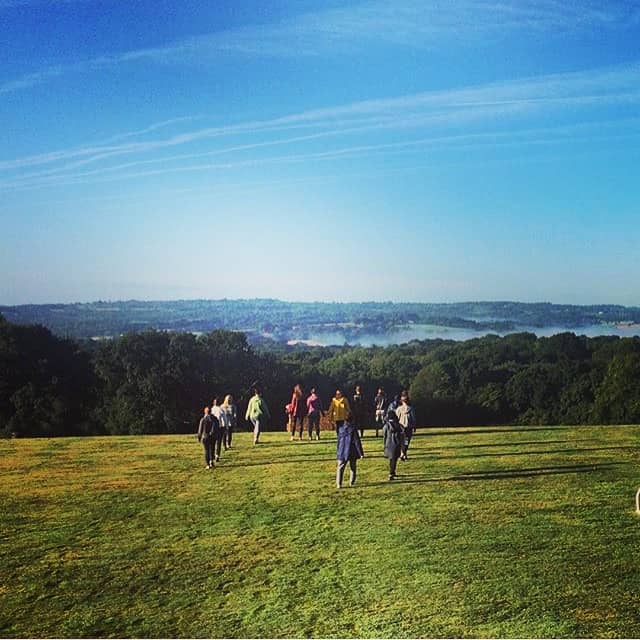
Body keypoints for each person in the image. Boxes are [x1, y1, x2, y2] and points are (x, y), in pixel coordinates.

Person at [335, 417, 364, 488]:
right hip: (351, 451)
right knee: (353, 467)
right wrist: (361, 453)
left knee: (340, 467)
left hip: (342, 450)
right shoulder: (353, 429)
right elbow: (357, 441)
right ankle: (351, 482)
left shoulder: (341, 429)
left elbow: (339, 441)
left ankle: (339, 483)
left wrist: (338, 451)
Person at [383, 407, 403, 480]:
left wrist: (384, 445)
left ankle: (391, 472)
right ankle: (392, 472)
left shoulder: (386, 426)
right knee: (394, 460)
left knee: (391, 460)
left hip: (389, 444)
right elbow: (401, 436)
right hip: (396, 444)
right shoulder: (398, 425)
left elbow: (384, 436)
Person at [396, 391, 416, 461]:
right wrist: (414, 426)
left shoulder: (399, 409)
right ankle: (404, 453)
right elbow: (413, 419)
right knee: (406, 442)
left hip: (401, 428)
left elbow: (396, 418)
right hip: (408, 428)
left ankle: (403, 453)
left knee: (401, 441)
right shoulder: (411, 409)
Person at [210, 397, 225, 462]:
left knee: (212, 442)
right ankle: (217, 455)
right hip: (219, 427)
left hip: (212, 427)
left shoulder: (212, 409)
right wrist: (225, 426)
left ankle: (212, 456)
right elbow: (224, 419)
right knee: (219, 442)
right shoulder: (221, 409)